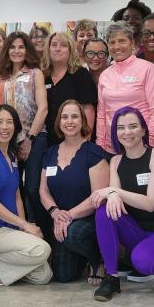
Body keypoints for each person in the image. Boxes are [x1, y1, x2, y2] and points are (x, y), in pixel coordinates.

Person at [89, 106, 154, 301]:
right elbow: (116, 201)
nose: (127, 132)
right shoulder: (116, 161)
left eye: (133, 126)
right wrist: (113, 194)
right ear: (115, 132)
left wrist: (114, 191)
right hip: (140, 233)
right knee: (104, 210)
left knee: (143, 263)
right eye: (121, 128)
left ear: (143, 129)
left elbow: (151, 203)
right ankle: (112, 278)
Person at [0, 104, 52, 286]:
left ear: (16, 127)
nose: (4, 127)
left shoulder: (11, 155)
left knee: (43, 276)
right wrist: (25, 224)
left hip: (11, 229)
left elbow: (17, 194)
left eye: (9, 122)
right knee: (42, 249)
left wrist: (23, 229)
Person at [39, 101, 109, 284]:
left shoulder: (94, 153)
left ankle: (97, 259)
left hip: (88, 217)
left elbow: (98, 197)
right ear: (59, 122)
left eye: (74, 116)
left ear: (82, 121)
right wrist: (55, 213)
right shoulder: (49, 153)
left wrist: (68, 215)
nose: (69, 121)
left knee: (72, 234)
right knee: (63, 276)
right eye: (64, 117)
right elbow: (43, 190)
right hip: (60, 219)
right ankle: (81, 255)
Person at [0, 31, 48, 239]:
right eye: (13, 47)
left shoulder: (35, 73)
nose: (17, 51)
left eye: (21, 47)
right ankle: (21, 234)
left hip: (35, 137)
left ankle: (46, 235)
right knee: (13, 188)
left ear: (28, 50)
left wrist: (29, 139)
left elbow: (42, 108)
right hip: (9, 140)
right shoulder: (2, 77)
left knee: (33, 189)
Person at [96, 22, 154, 154]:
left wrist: (150, 143)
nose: (116, 46)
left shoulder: (147, 69)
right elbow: (102, 114)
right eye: (112, 42)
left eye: (122, 41)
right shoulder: (104, 75)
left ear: (132, 43)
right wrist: (100, 145)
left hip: (142, 146)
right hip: (112, 147)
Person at [42, 32, 97, 147]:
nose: (58, 49)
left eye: (63, 45)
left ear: (70, 50)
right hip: (47, 140)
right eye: (54, 45)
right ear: (48, 49)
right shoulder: (43, 76)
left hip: (75, 139)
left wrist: (85, 140)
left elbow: (88, 109)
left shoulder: (80, 74)